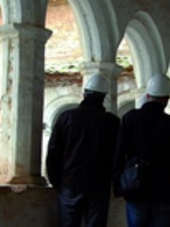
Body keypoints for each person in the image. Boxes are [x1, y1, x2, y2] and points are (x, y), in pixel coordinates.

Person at [113, 73, 170, 227]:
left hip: (135, 188)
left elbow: (119, 153)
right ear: (167, 99)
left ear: (147, 96)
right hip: (162, 190)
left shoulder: (130, 118)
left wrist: (118, 185)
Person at [46, 73, 120, 227]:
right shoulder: (112, 122)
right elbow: (117, 156)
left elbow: (53, 152)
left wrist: (57, 182)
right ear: (104, 97)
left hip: (70, 183)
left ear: (84, 94)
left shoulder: (67, 117)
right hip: (99, 185)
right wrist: (113, 181)